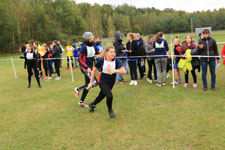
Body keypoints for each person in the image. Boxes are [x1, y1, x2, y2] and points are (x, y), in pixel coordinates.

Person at [88, 46, 126, 118]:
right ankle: (110, 110)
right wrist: (90, 82)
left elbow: (124, 71)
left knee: (102, 95)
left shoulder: (116, 60)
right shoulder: (101, 60)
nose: (113, 54)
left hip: (111, 81)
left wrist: (115, 71)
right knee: (109, 96)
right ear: (106, 53)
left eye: (114, 52)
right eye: (111, 52)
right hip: (102, 80)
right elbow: (93, 71)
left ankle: (92, 104)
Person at [74, 32, 99, 107]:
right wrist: (87, 67)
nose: (93, 36)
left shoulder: (94, 45)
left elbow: (97, 54)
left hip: (91, 68)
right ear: (88, 38)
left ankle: (81, 101)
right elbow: (80, 59)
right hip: (85, 68)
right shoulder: (83, 47)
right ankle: (78, 89)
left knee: (88, 85)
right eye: (92, 35)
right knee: (95, 82)